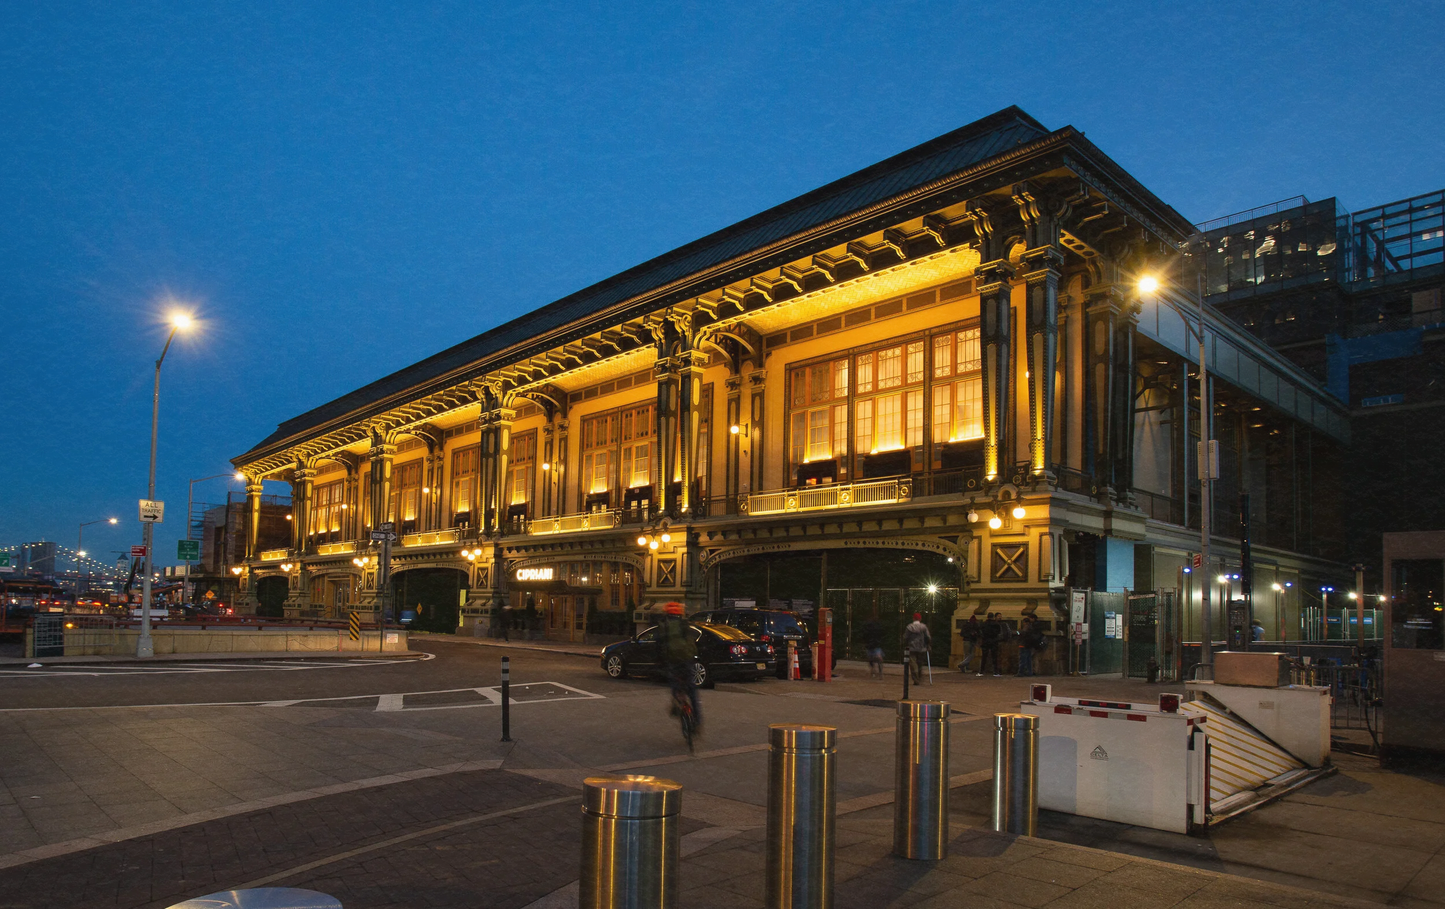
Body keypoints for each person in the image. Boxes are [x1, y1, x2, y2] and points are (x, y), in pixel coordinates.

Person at [657, 602, 701, 728]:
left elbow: (659, 646)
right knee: (692, 691)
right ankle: (697, 720)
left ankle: (677, 704)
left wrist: (660, 662)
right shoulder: (684, 623)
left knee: (675, 685)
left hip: (672, 660)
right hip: (687, 659)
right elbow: (691, 641)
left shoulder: (664, 625)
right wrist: (693, 656)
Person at [903, 612, 932, 684]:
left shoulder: (909, 627)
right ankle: (920, 676)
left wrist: (905, 643)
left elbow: (905, 637)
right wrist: (928, 644)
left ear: (913, 618)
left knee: (913, 663)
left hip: (912, 647)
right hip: (922, 647)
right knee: (920, 663)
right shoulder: (924, 627)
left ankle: (915, 678)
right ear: (920, 619)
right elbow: (928, 637)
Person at [861, 614, 886, 679]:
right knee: (879, 659)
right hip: (877, 644)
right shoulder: (879, 626)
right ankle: (880, 673)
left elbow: (865, 635)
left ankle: (873, 670)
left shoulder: (868, 626)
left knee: (871, 658)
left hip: (870, 645)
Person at [978, 612, 1002, 677]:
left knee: (984, 657)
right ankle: (995, 672)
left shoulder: (984, 624)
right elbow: (998, 632)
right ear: (993, 617)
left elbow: (981, 632)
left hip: (985, 641)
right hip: (994, 641)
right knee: (994, 657)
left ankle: (981, 671)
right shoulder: (996, 624)